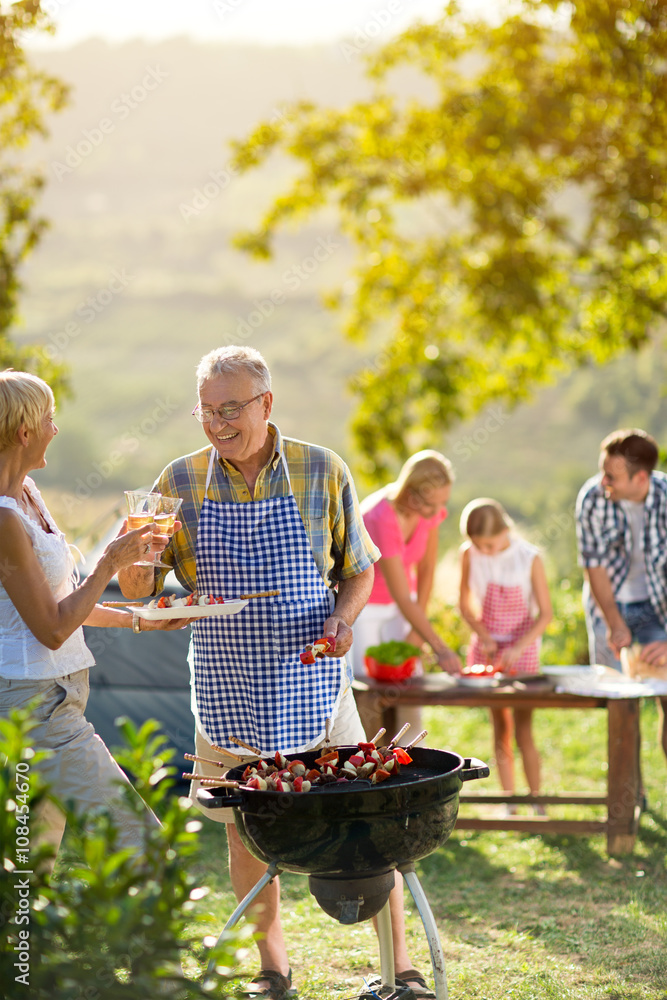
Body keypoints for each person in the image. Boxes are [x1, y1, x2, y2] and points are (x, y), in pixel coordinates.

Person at [117, 346, 435, 1000]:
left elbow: (358, 569)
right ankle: (272, 969)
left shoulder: (322, 469)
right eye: (207, 410)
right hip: (227, 681)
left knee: (367, 819)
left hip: (315, 681)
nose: (217, 422)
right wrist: (140, 565)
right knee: (244, 830)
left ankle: (399, 968)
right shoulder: (177, 481)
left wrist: (343, 621)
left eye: (230, 408)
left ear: (266, 403)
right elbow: (143, 589)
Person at [0, 370, 188, 865]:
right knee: (141, 843)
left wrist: (136, 619)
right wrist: (111, 561)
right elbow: (53, 628)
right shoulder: (3, 518)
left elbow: (65, 602)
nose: (55, 430)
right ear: (24, 432)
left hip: (56, 696)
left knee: (29, 866)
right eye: (49, 419)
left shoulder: (29, 495)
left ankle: (25, 944)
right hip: (34, 706)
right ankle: (153, 944)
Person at [575, 428, 667, 764]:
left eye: (611, 477)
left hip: (660, 608)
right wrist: (615, 624)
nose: (603, 482)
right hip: (607, 606)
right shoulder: (592, 499)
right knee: (619, 701)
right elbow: (594, 566)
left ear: (641, 478)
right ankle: (629, 796)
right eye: (602, 472)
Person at [350, 450, 460, 727]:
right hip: (367, 605)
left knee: (411, 686)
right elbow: (398, 593)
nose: (437, 514)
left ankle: (411, 756)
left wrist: (417, 634)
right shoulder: (380, 517)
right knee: (371, 691)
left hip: (404, 605)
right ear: (412, 494)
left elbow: (426, 570)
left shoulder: (429, 511)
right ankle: (370, 757)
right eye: (431, 505)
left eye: (442, 503)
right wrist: (440, 648)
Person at [458, 498, 552, 813]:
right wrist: (484, 637)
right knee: (500, 726)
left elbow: (545, 615)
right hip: (488, 647)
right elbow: (465, 605)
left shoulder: (529, 557)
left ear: (505, 529)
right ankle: (508, 799)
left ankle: (536, 799)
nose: (484, 550)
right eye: (478, 545)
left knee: (524, 726)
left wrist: (517, 647)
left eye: (489, 544)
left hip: (522, 650)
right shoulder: (470, 554)